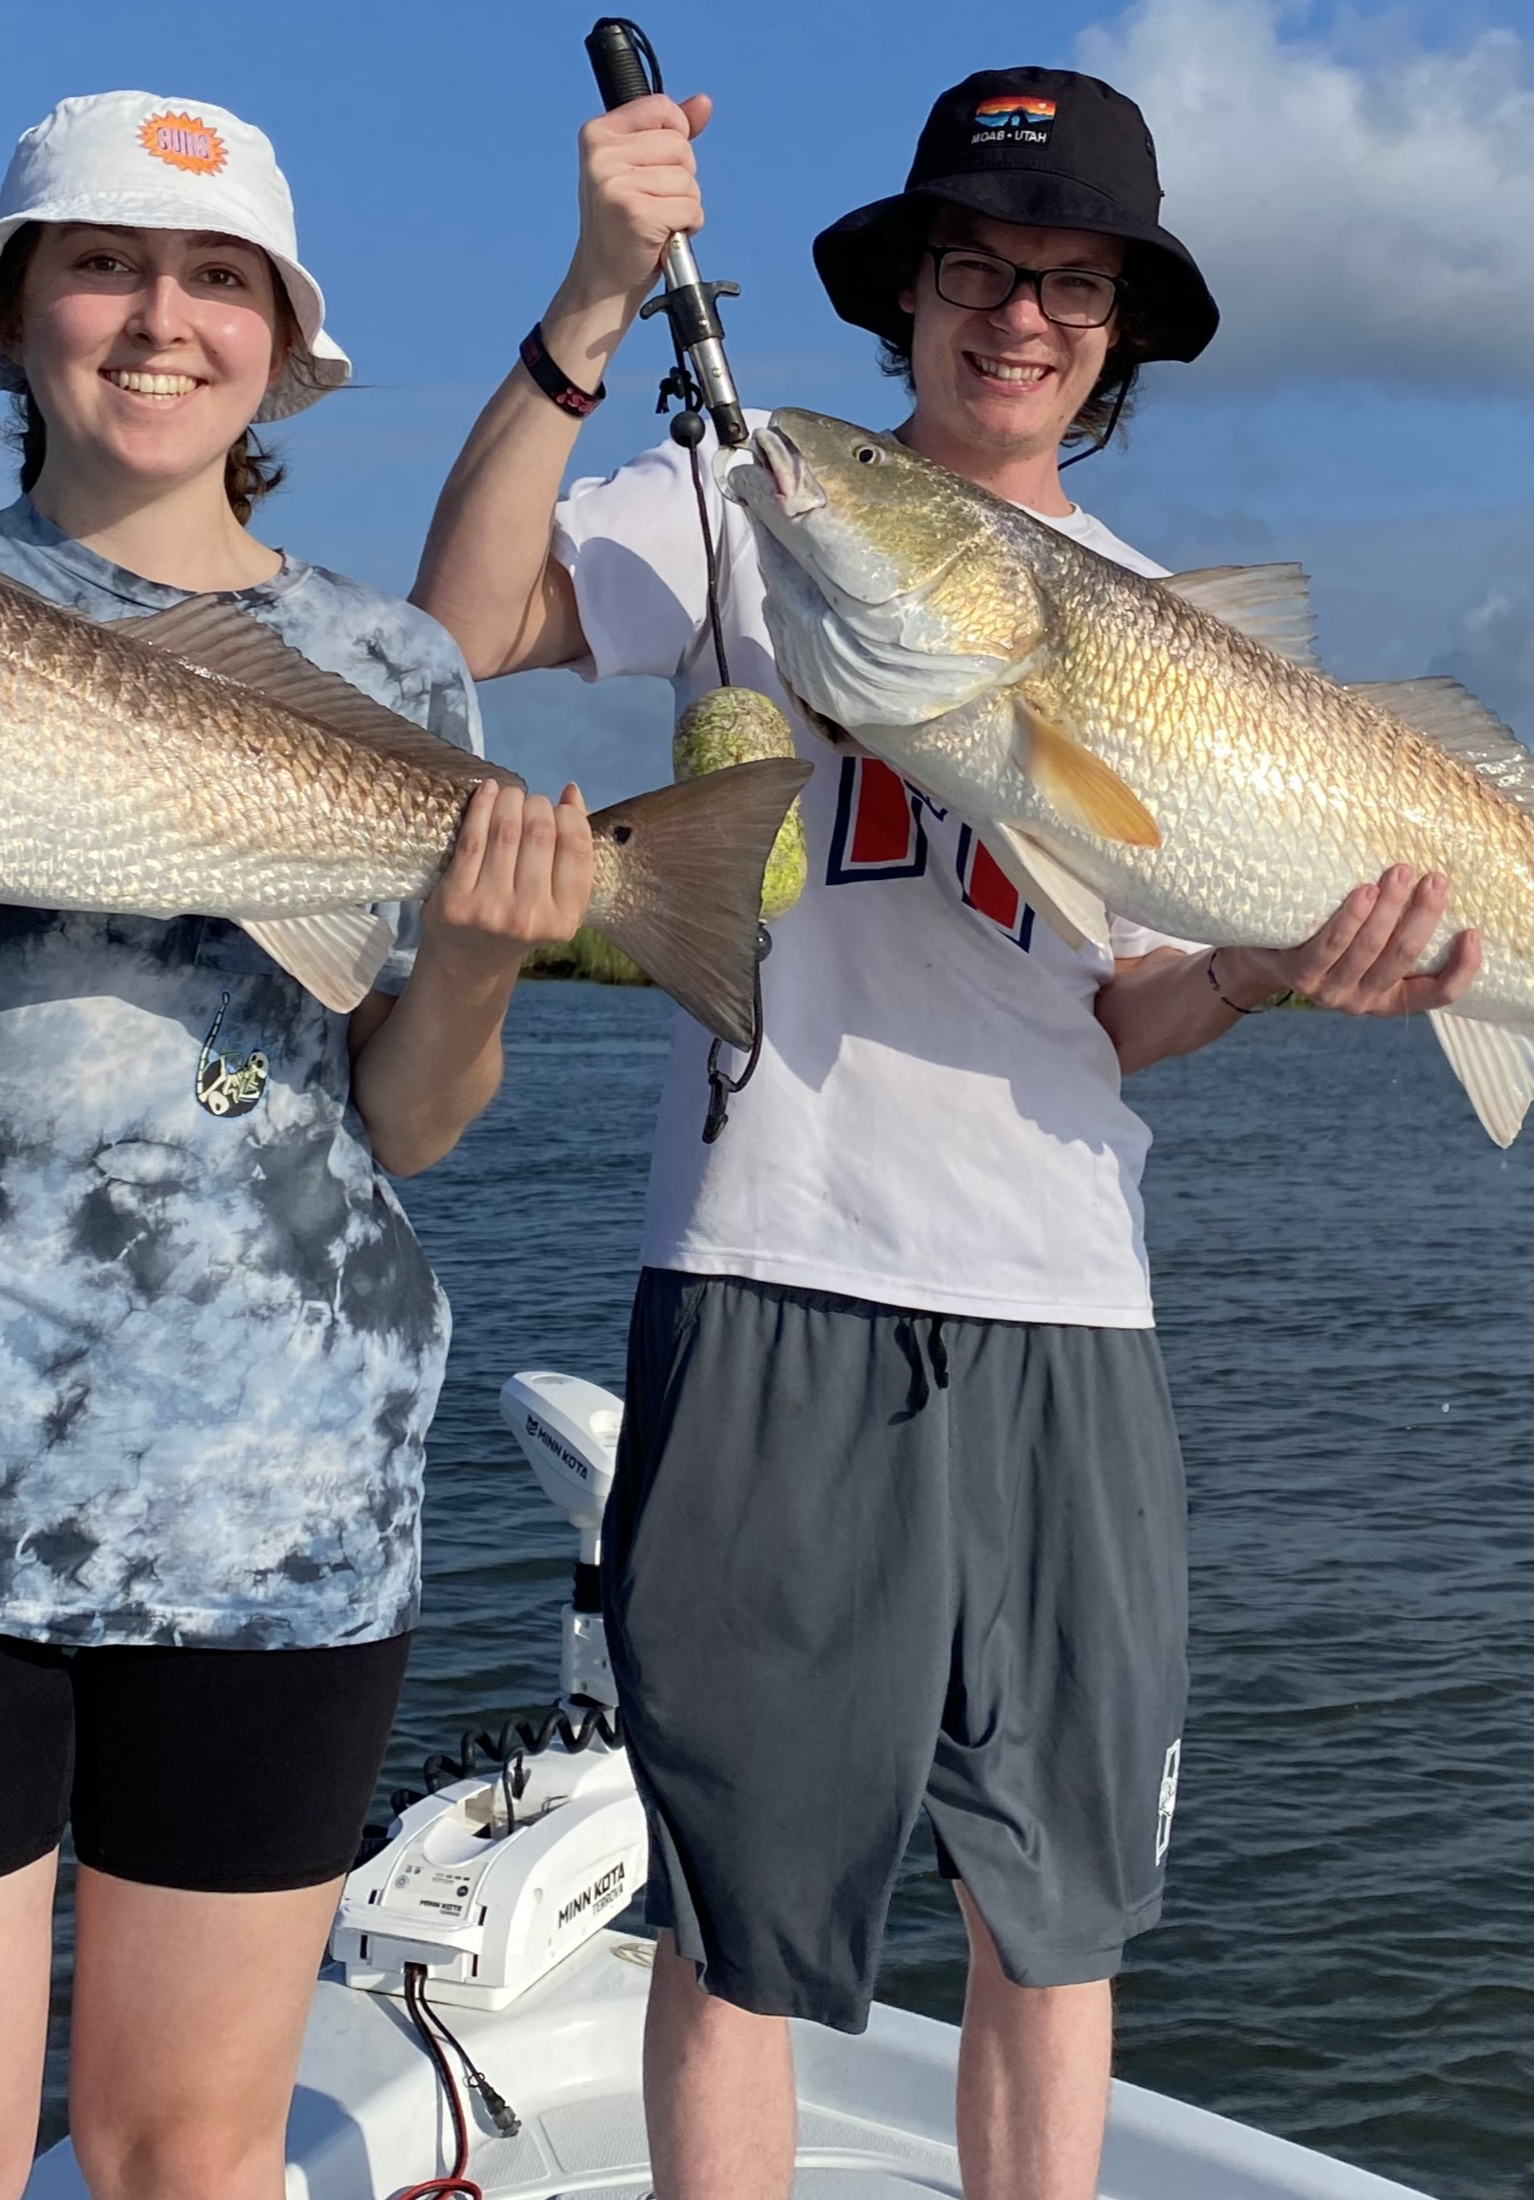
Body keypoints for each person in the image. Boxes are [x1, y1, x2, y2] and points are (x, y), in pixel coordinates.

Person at [412, 64, 1479, 2200]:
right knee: (738, 1918)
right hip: (766, 1267)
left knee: (1051, 1910)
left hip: (1065, 1300)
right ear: (905, 292)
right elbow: (448, 632)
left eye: (1069, 284)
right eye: (976, 267)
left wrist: (1280, 960)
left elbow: (1120, 1014)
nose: (1016, 315)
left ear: (1115, 337)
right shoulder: (749, 500)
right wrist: (585, 310)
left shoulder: (1151, 622)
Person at [0, 91, 592, 2200]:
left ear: (276, 341)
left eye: (216, 277)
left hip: (281, 1503)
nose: (156, 317)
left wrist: (475, 967)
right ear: (10, 318)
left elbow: (406, 1124)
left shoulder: (388, 663)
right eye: (101, 263)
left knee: (191, 2154)